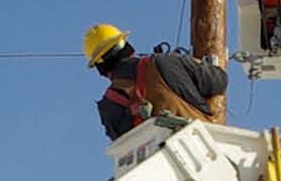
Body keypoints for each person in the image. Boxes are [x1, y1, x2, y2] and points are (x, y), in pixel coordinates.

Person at [86, 22, 224, 142]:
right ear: (126, 46)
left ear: (101, 67)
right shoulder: (167, 62)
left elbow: (121, 144)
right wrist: (194, 64)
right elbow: (218, 81)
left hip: (153, 167)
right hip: (204, 146)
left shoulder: (109, 104)